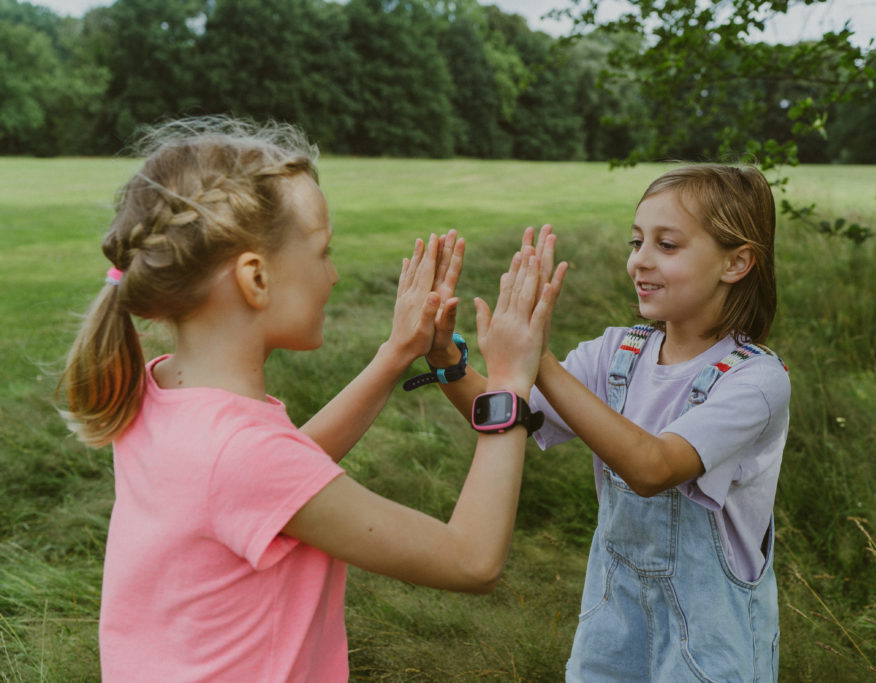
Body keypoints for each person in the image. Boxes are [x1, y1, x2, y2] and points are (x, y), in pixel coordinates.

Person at [58, 116, 566, 682]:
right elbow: (472, 560)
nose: (335, 275)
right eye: (323, 252)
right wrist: (508, 385)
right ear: (255, 279)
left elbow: (281, 481)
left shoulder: (161, 392)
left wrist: (397, 353)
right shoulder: (243, 455)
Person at [422, 164, 790, 681]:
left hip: (709, 645)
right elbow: (511, 418)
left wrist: (539, 360)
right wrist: (445, 361)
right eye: (636, 242)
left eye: (667, 245)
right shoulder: (618, 352)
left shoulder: (757, 382)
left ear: (737, 263)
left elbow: (654, 467)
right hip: (610, 627)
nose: (639, 261)